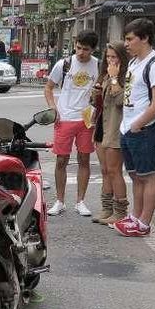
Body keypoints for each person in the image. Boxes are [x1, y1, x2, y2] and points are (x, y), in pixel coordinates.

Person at [113, 19, 155, 237]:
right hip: (128, 127)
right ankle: (135, 217)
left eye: (130, 39)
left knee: (148, 175)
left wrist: (139, 123)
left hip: (144, 129)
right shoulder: (135, 62)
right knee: (136, 175)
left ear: (144, 38)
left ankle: (144, 222)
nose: (126, 44)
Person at [44, 30, 100, 217]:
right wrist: (53, 108)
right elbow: (49, 88)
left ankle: (80, 201)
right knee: (61, 160)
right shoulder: (64, 64)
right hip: (65, 117)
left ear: (93, 49)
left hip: (86, 119)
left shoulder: (99, 65)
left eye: (85, 49)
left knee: (84, 159)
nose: (81, 52)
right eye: (78, 47)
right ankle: (60, 201)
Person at [91, 42, 130, 225]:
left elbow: (122, 100)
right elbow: (96, 103)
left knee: (115, 171)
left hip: (115, 129)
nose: (110, 61)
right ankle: (106, 208)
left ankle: (120, 210)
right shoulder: (105, 75)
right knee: (105, 170)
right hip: (101, 127)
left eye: (114, 57)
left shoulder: (125, 77)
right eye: (108, 57)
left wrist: (114, 79)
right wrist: (96, 93)